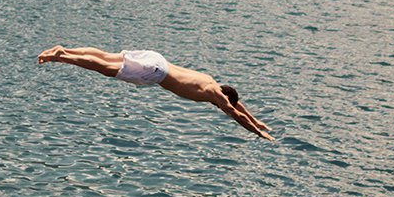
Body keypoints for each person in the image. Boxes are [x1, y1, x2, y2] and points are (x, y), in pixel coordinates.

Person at [37, 45, 274, 140]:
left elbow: (237, 105)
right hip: (156, 72)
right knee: (106, 68)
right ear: (224, 98)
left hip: (158, 59)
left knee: (107, 56)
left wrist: (258, 121)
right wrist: (257, 132)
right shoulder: (216, 96)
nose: (222, 107)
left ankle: (64, 49)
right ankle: (62, 57)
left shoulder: (212, 82)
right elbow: (236, 113)